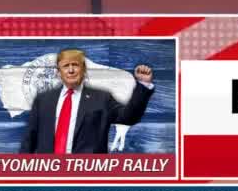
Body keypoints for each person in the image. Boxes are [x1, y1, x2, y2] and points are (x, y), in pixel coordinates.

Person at [19, 48, 154, 154]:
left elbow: (129, 118)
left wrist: (142, 85)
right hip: (49, 174)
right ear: (58, 72)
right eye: (66, 66)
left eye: (75, 65)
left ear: (83, 69)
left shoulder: (102, 99)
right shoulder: (43, 100)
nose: (71, 70)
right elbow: (30, 139)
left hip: (87, 174)